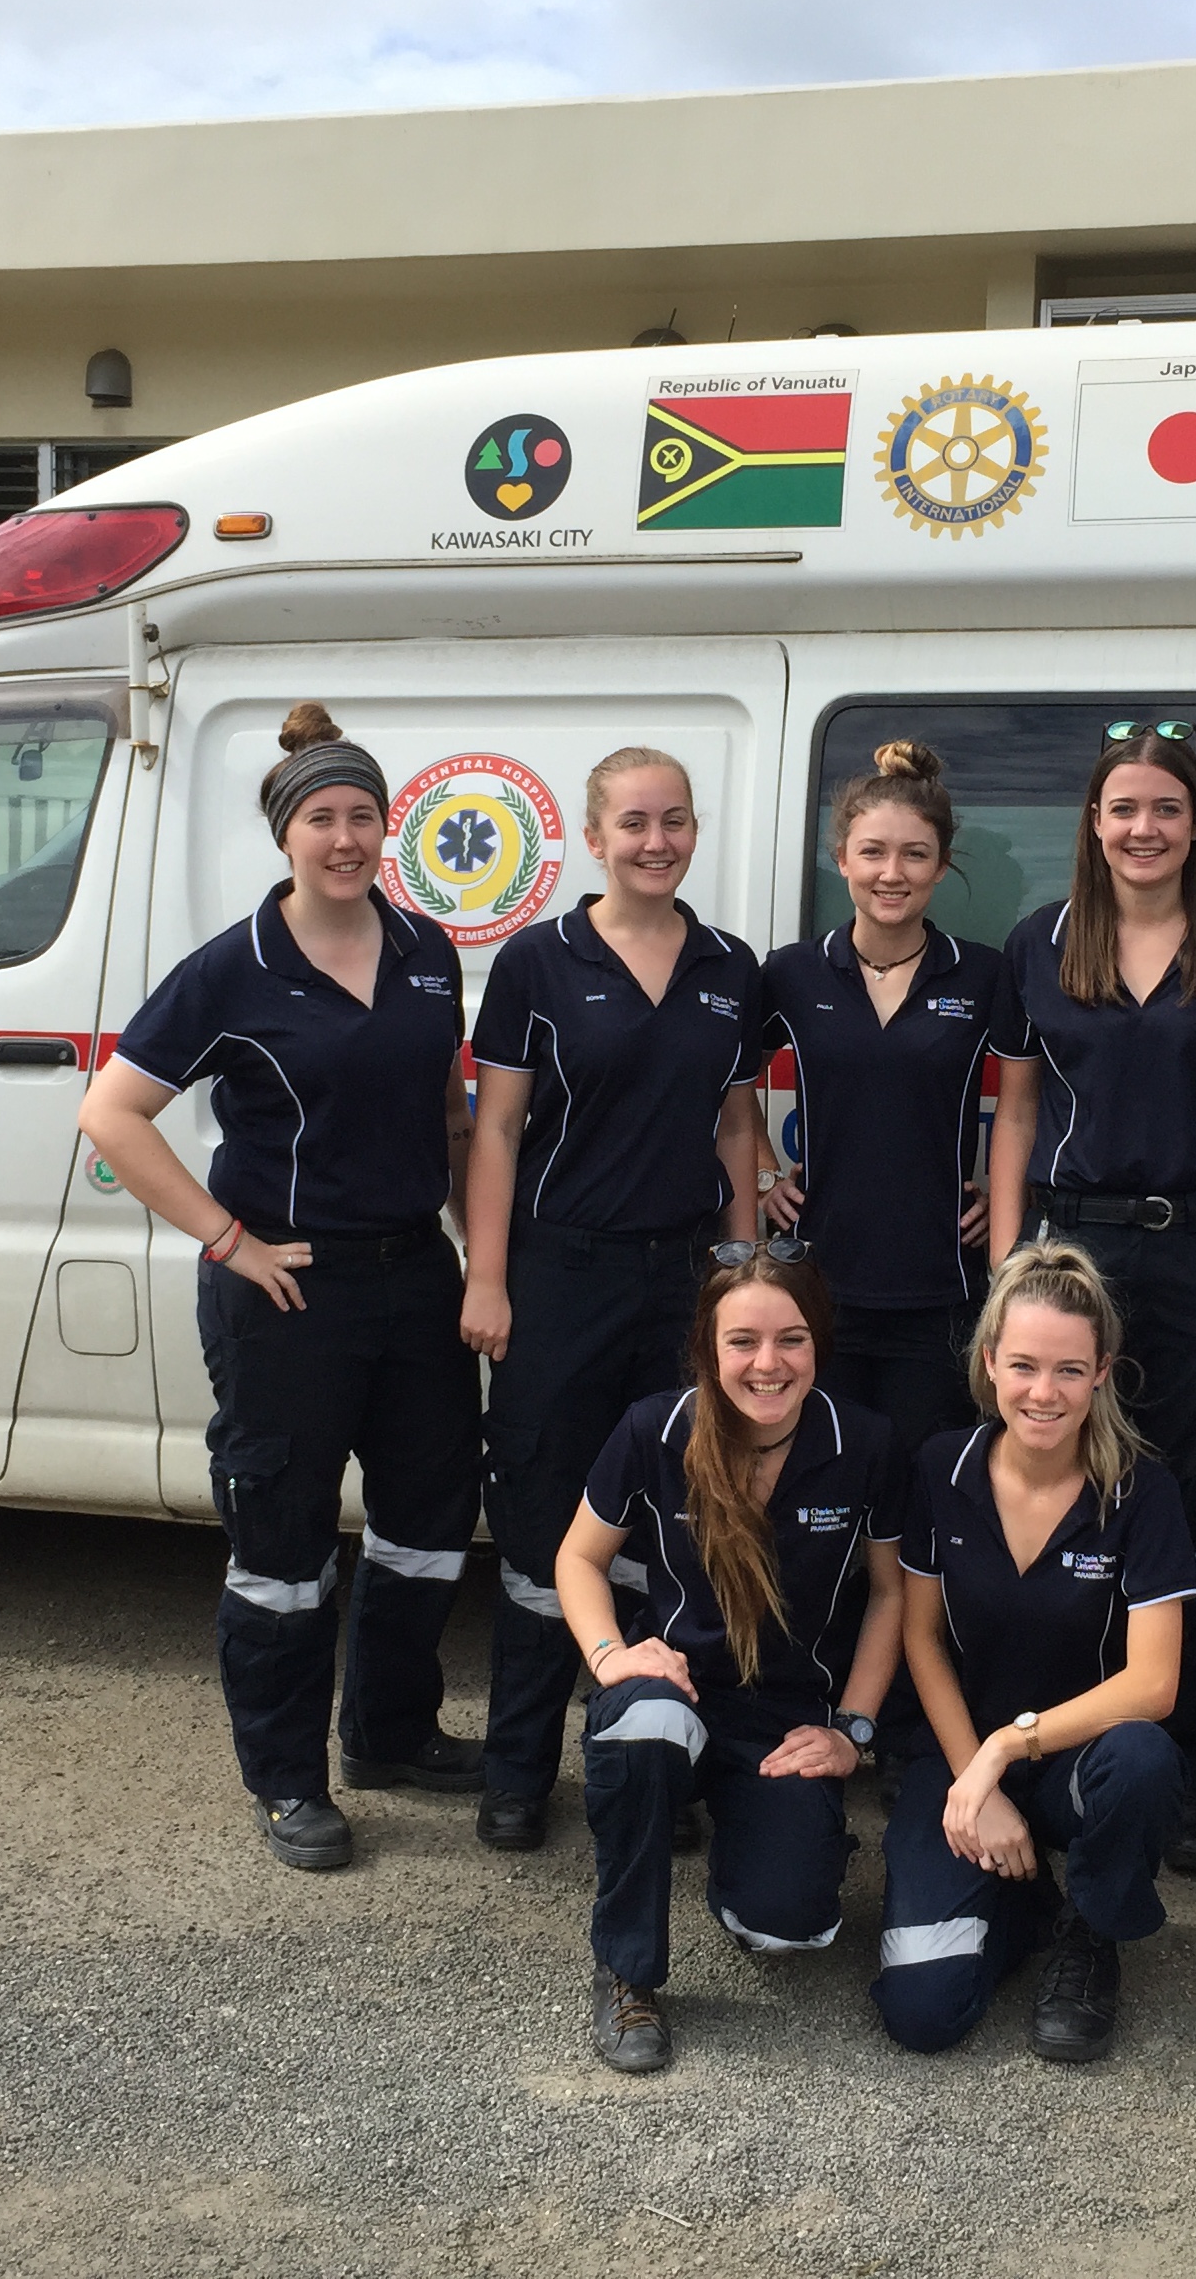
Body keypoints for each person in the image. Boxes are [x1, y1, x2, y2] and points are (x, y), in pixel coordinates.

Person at [79, 702, 483, 1871]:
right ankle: (289, 1780)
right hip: (289, 1297)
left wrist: (476, 1261)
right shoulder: (231, 971)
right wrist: (226, 1238)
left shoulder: (425, 954)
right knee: (285, 1550)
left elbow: (447, 1124)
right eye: (322, 818)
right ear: (286, 835)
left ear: (387, 826)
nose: (345, 838)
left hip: (416, 1279)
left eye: (363, 815)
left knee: (425, 1531)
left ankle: (391, 1736)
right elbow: (112, 1114)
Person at [985, 720, 1196, 1877]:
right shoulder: (1042, 942)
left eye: (1165, 809)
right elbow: (1015, 1112)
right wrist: (1011, 1264)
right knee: (1074, 1511)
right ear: (1093, 823)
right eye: (1122, 809)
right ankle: (1069, 1758)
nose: (1143, 828)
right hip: (1074, 1261)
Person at [460, 746, 768, 1852]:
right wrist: (488, 1277)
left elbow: (739, 1130)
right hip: (560, 1273)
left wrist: (743, 1267)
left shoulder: (734, 968)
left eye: (674, 821)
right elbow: (495, 1129)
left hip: (685, 1278)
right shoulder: (538, 962)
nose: (656, 841)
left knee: (675, 1530)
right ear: (593, 839)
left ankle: (648, 1763)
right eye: (634, 823)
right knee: (547, 1526)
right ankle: (517, 1770)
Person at [555, 1249, 906, 2074]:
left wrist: (851, 1730)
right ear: (709, 1349)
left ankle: (740, 1835)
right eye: (743, 1340)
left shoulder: (866, 1443)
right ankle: (627, 1971)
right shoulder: (655, 1429)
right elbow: (577, 1560)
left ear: (818, 1343)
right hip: (674, 1687)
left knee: (788, 1926)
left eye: (791, 1339)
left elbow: (892, 1597)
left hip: (784, 1718)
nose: (768, 1364)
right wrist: (610, 1657)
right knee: (644, 1730)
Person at [873, 1242, 1194, 2063]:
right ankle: (1023, 1901)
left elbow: (1154, 1685)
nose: (1042, 1392)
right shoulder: (942, 1466)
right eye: (1022, 1365)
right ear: (988, 1363)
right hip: (956, 1753)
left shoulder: (1142, 1492)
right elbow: (920, 1635)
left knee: (1145, 1759)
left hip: (1075, 1762)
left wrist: (1005, 1753)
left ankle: (1091, 1932)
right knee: (922, 2012)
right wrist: (974, 1781)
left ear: (1102, 1372)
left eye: (1067, 1370)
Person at [756, 740, 1006, 1461]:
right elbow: (717, 1075)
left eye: (914, 855)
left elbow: (1032, 1100)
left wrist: (1003, 1191)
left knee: (923, 1475)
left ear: (942, 865)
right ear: (842, 860)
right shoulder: (792, 973)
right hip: (818, 1279)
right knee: (823, 1475)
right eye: (872, 853)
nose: (891, 874)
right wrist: (765, 1174)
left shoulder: (983, 977)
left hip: (941, 1283)